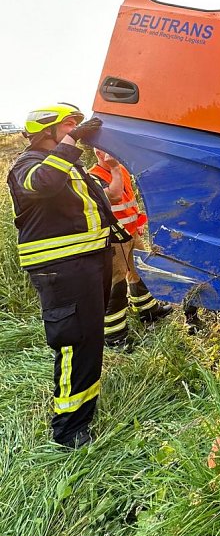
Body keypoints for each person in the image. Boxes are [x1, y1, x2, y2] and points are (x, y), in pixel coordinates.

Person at [6, 103, 116, 449]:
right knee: (75, 342)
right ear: (47, 131)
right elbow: (44, 184)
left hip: (87, 262)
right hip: (63, 269)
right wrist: (70, 145)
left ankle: (83, 410)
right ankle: (68, 430)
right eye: (69, 126)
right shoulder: (25, 167)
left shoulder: (70, 166)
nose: (76, 131)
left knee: (90, 341)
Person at [89, 149, 172, 349]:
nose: (104, 152)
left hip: (132, 232)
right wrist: (115, 167)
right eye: (100, 148)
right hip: (114, 238)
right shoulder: (94, 176)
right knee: (115, 284)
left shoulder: (122, 171)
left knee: (139, 271)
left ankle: (148, 310)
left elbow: (129, 201)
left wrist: (138, 220)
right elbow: (115, 197)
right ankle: (114, 336)